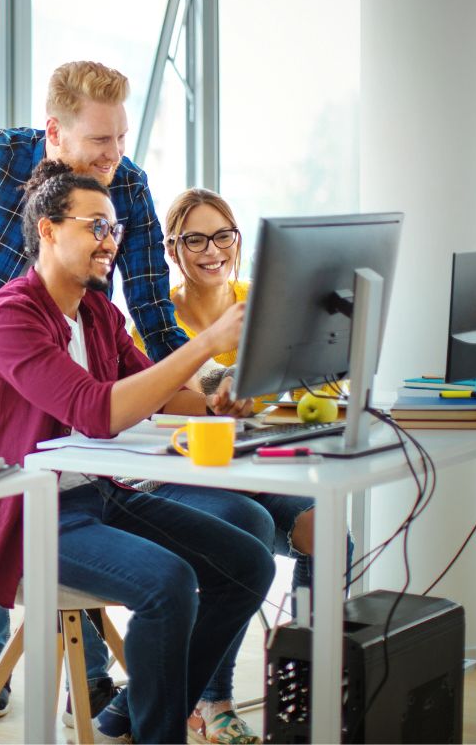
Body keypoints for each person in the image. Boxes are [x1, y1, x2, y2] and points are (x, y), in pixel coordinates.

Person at [0, 160, 275, 744]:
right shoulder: (9, 317)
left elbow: (157, 389)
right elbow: (97, 410)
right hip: (27, 518)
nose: (111, 242)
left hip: (98, 496)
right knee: (168, 583)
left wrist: (222, 396)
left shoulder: (98, 312)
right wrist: (207, 340)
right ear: (49, 231)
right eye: (96, 227)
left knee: (247, 564)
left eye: (114, 229)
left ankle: (129, 717)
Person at [0, 60, 189, 720]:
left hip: (80, 355)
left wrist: (187, 382)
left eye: (122, 140)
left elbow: (153, 309)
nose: (115, 158)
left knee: (80, 487)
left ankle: (89, 670)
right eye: (101, 142)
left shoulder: (125, 184)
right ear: (55, 130)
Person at [134, 185, 356, 614]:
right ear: (172, 249)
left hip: (254, 470)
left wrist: (332, 347)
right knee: (243, 529)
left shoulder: (263, 303)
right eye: (194, 239)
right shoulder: (153, 326)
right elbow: (154, 414)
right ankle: (214, 684)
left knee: (326, 528)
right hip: (184, 478)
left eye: (223, 235)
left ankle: (308, 665)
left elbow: (312, 384)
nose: (211, 250)